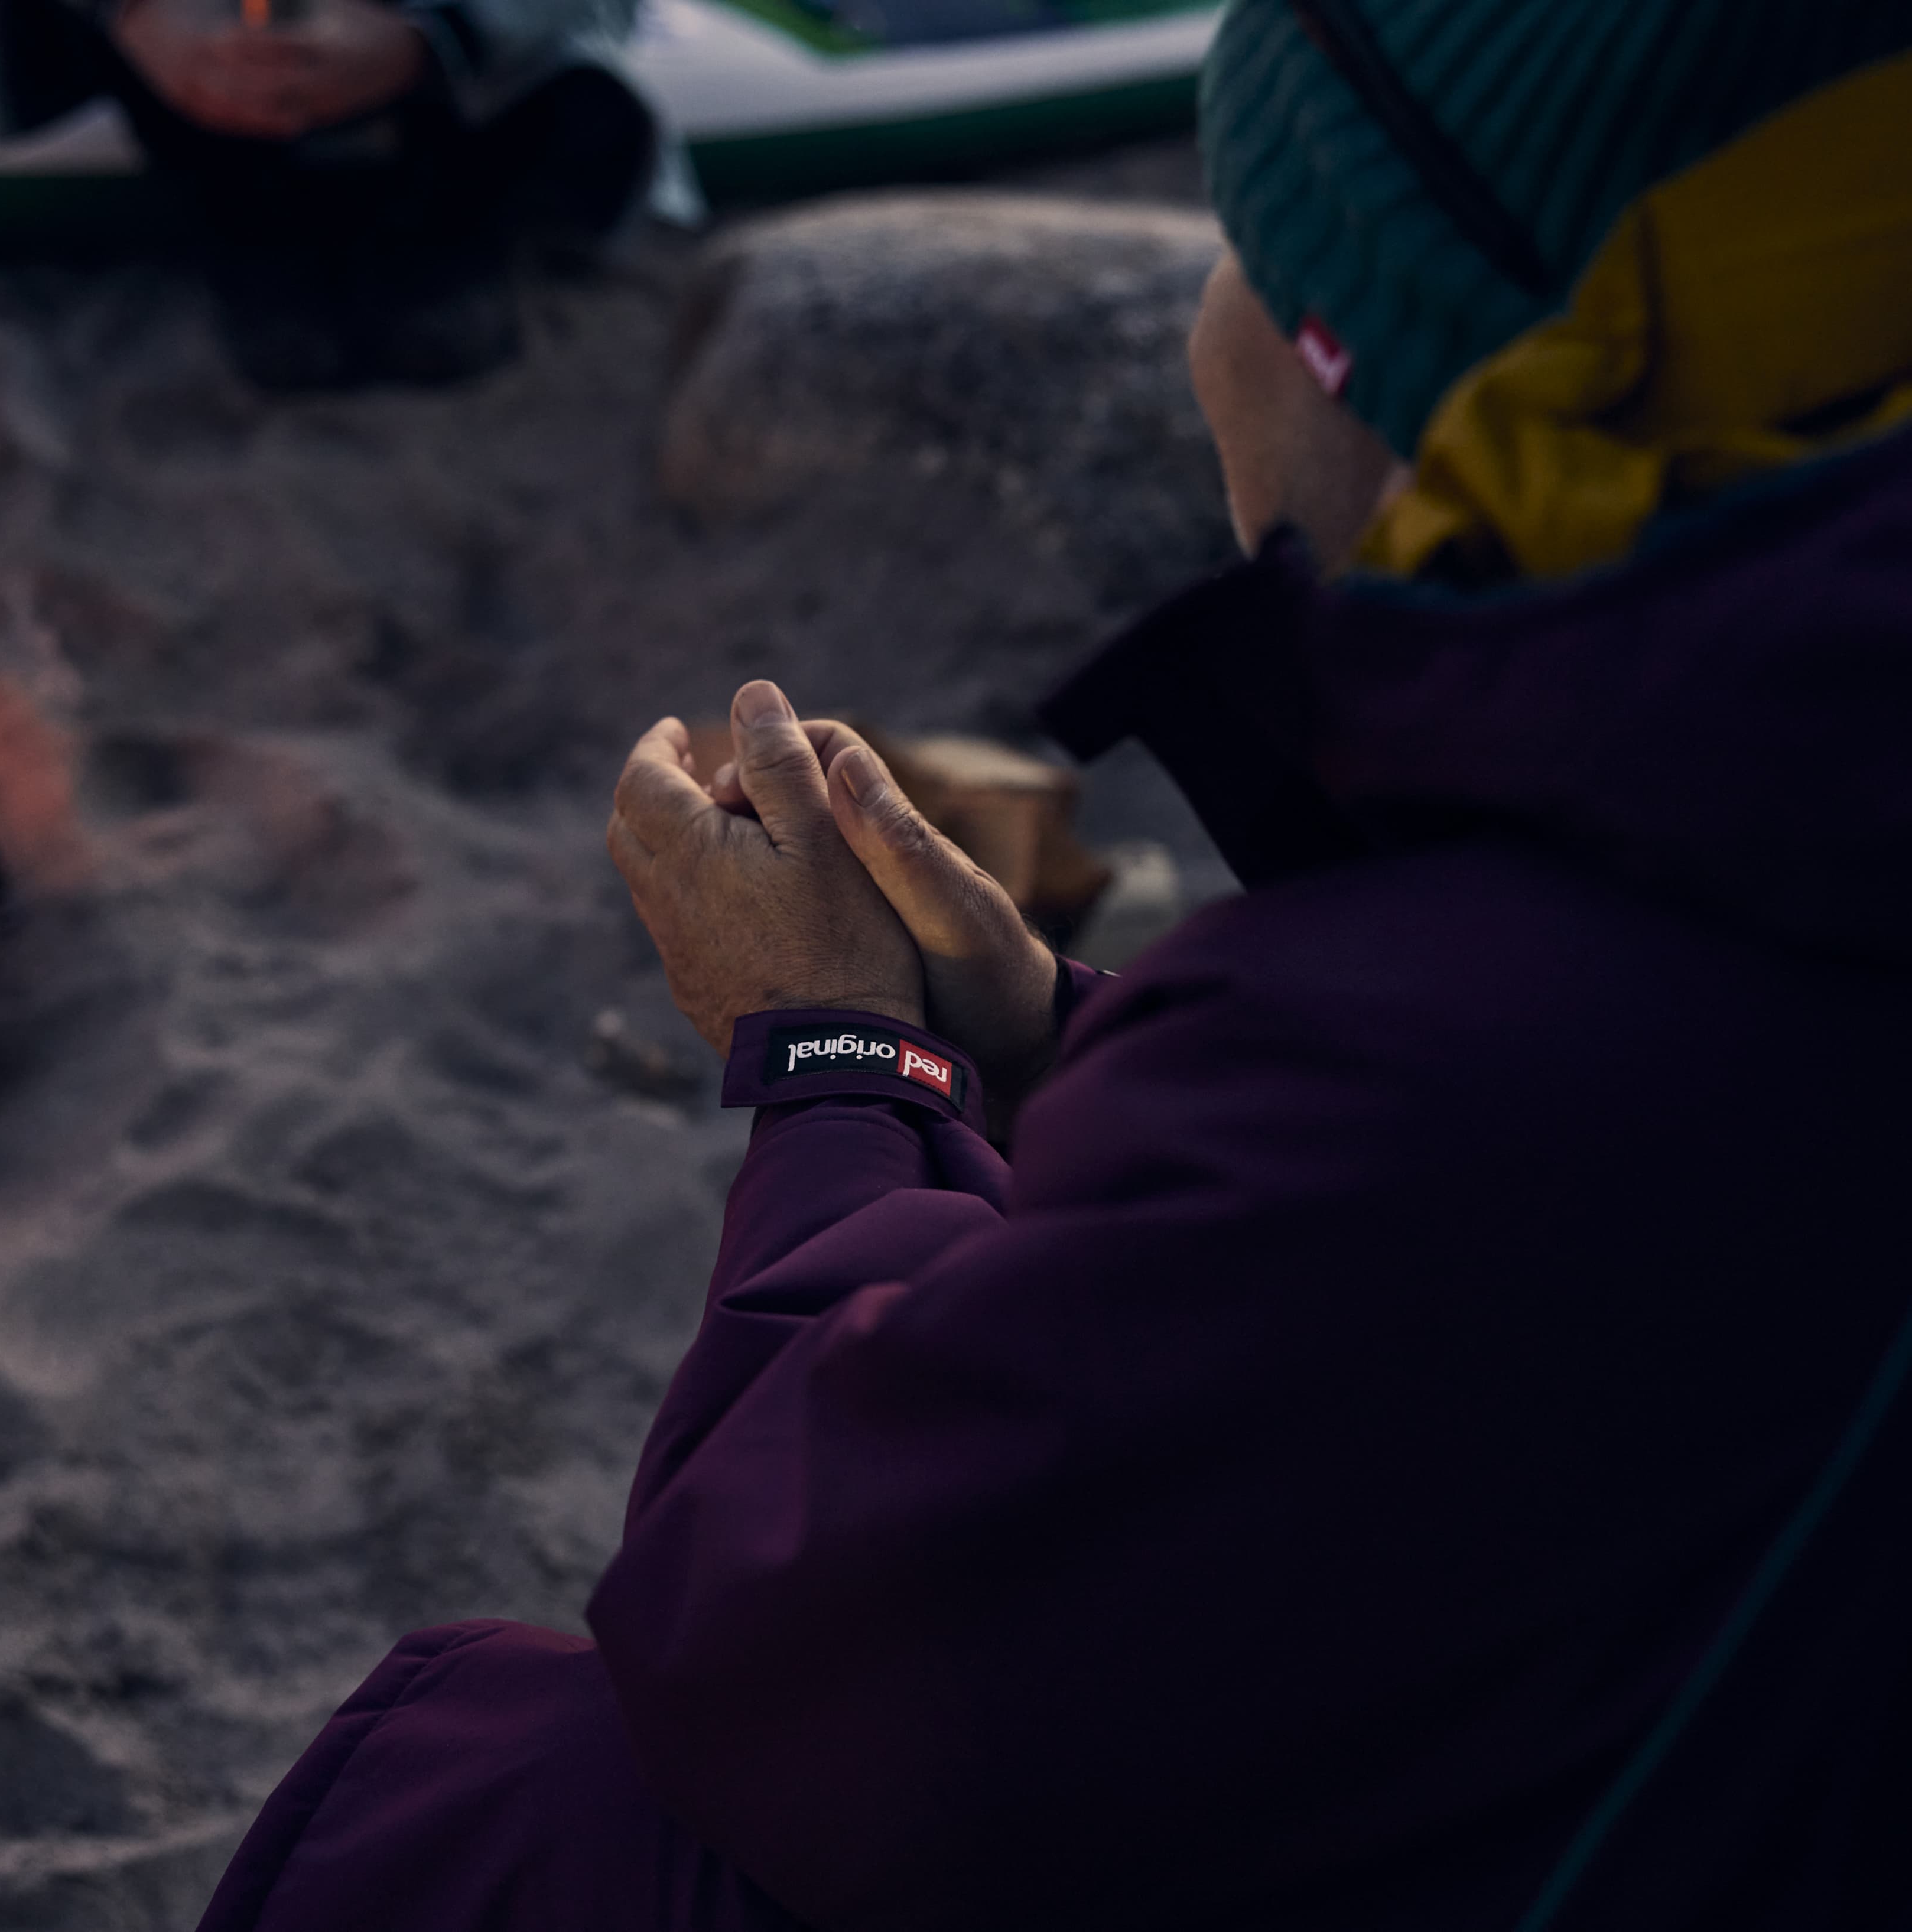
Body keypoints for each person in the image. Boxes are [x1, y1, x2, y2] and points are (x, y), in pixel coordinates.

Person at [194, 2, 1912, 1926]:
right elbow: (1495, 1283)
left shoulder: (1447, 1055)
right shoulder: (1756, 856)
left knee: (509, 1810)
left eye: (1246, 248)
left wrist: (834, 1066)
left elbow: (805, 1651)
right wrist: (1063, 1049)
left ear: (1370, 359)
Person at [0, 0, 656, 386]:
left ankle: (435, 236)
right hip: (198, 43)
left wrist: (426, 43)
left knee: (539, 90)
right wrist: (137, 15)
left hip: (445, 57)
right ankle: (261, 234)